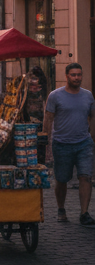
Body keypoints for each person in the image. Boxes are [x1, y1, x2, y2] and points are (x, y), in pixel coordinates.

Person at [44, 63, 95, 225]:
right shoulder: (55, 96)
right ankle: (61, 208)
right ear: (67, 76)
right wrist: (46, 140)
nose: (77, 78)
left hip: (84, 143)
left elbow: (91, 116)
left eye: (79, 75)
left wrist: (90, 134)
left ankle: (84, 213)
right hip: (62, 144)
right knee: (62, 179)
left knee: (86, 176)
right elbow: (48, 118)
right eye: (73, 75)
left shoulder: (88, 96)